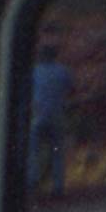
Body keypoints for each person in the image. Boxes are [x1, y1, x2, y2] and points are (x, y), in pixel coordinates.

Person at [29, 43, 74, 198]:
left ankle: (33, 181)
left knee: (33, 150)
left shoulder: (34, 71)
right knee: (57, 152)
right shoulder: (63, 71)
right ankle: (58, 186)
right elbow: (71, 90)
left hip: (37, 114)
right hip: (56, 115)